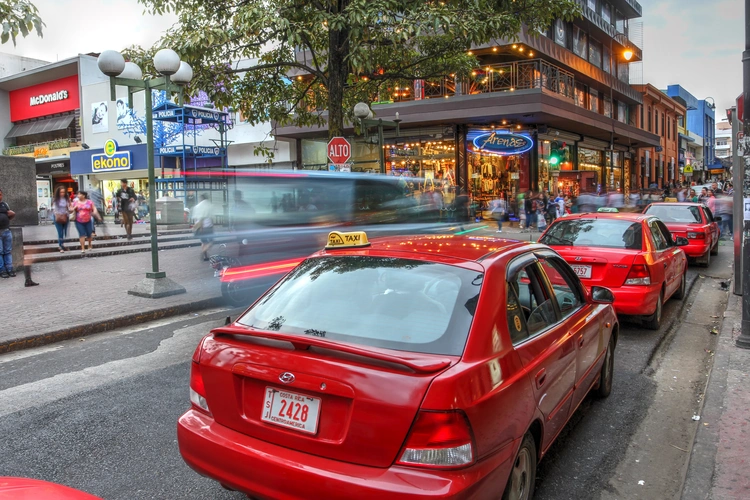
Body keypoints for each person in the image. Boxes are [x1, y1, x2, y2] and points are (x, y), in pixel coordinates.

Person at [192, 193, 214, 261]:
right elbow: (210, 217)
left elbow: (196, 219)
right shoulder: (209, 205)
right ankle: (204, 251)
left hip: (200, 227)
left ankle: (205, 256)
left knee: (203, 242)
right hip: (208, 226)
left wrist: (197, 227)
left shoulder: (197, 206)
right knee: (211, 241)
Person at [0, 188, 16, 278]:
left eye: (0, 195)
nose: (0, 197)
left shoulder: (4, 205)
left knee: (8, 251)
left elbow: (10, 213)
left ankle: (10, 269)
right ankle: (2, 270)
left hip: (6, 231)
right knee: (0, 252)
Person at [52, 186, 71, 253]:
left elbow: (69, 207)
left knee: (65, 231)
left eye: (63, 192)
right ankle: (61, 246)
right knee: (60, 231)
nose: (62, 193)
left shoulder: (67, 199)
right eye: (61, 192)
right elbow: (53, 208)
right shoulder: (55, 199)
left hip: (66, 216)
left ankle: (62, 243)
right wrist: (57, 214)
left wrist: (69, 210)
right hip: (58, 216)